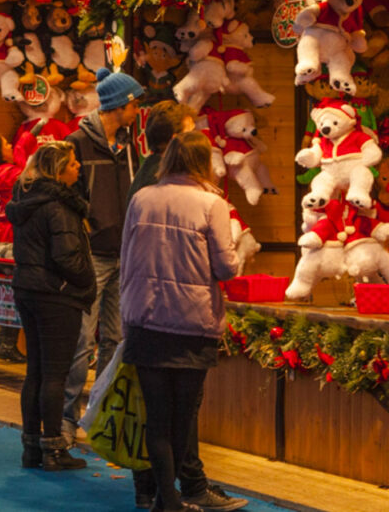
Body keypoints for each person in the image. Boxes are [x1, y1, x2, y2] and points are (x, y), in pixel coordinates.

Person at [127, 103, 246, 512]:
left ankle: (165, 499)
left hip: (146, 320)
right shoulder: (211, 203)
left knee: (156, 419)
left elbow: (127, 257)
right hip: (192, 322)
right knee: (183, 418)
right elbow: (226, 267)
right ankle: (173, 496)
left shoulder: (142, 197)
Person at [60, 68, 143, 442]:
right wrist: (87, 221)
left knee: (115, 336)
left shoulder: (130, 147)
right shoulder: (77, 142)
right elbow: (66, 191)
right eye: (133, 102)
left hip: (124, 251)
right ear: (119, 105)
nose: (137, 109)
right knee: (81, 340)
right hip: (92, 253)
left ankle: (100, 415)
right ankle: (66, 415)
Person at [6, 140, 94, 472]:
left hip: (27, 290)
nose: (78, 168)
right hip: (56, 295)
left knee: (36, 372)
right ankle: (54, 449)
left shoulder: (26, 198)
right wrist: (87, 280)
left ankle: (32, 446)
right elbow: (66, 255)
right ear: (58, 170)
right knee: (55, 374)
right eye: (73, 164)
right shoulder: (60, 205)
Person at [0, 127, 42, 364]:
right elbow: (28, 175)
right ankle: (6, 343)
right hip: (14, 234)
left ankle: (6, 342)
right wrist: (26, 141)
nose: (10, 148)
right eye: (6, 145)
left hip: (0, 233)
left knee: (8, 289)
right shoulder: (9, 174)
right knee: (19, 290)